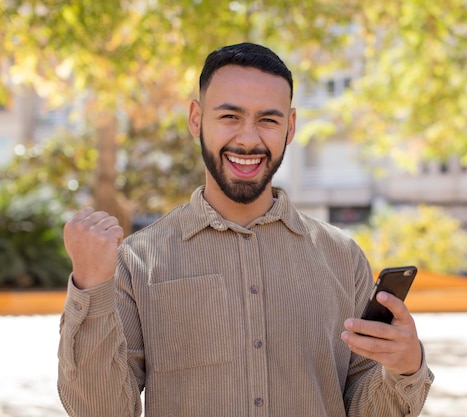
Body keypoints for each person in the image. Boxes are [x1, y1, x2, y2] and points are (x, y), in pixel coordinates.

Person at [58, 42, 434, 417]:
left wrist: (404, 367)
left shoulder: (342, 256)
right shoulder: (138, 261)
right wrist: (91, 287)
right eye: (230, 117)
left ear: (290, 127)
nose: (249, 139)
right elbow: (101, 411)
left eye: (268, 120)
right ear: (195, 119)